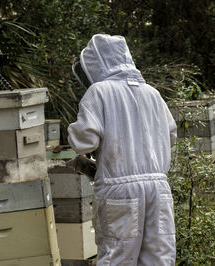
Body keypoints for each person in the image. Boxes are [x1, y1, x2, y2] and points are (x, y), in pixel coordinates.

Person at [67, 34, 177, 265]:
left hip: (120, 191)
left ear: (96, 64)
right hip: (159, 189)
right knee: (159, 258)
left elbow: (84, 141)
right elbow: (171, 135)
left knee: (117, 258)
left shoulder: (99, 92)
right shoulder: (152, 93)